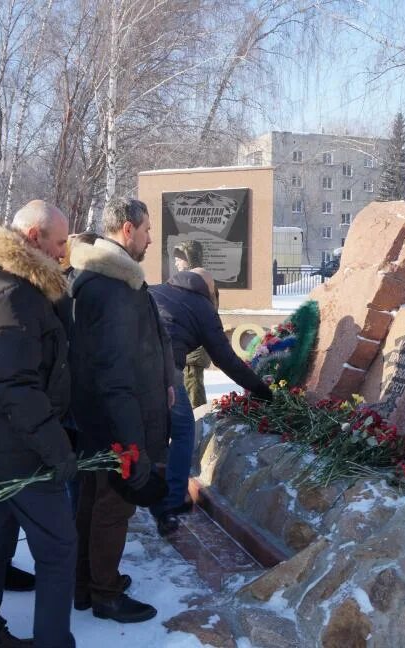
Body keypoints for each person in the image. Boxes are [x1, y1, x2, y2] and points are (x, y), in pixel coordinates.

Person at [0, 200, 78, 648]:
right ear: (33, 239)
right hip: (20, 450)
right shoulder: (14, 293)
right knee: (59, 548)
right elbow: (16, 384)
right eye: (60, 241)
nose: (65, 252)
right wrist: (57, 449)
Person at [69, 197, 173, 623]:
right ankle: (105, 593)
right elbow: (115, 373)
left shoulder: (100, 279)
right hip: (117, 422)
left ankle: (85, 581)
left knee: (94, 500)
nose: (151, 239)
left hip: (97, 418)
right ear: (127, 229)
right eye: (147, 229)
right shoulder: (113, 287)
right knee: (114, 504)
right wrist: (133, 442)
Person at [149, 267, 272, 534]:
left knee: (151, 436)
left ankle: (159, 501)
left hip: (131, 370)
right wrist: (263, 391)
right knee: (183, 430)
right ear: (209, 289)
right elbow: (226, 360)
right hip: (166, 373)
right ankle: (171, 503)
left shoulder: (156, 290)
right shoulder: (202, 306)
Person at [172, 240, 215, 408]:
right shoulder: (196, 280)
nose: (175, 261)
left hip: (192, 352)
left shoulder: (195, 283)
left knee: (193, 401)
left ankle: (198, 433)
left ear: (189, 259)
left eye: (179, 258)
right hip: (189, 351)